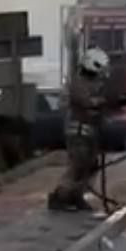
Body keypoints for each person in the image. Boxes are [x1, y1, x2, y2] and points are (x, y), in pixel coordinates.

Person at [47, 47, 112, 212]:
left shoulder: (95, 83)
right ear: (93, 65)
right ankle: (60, 197)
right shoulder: (78, 82)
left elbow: (97, 106)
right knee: (78, 166)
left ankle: (76, 196)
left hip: (90, 132)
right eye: (100, 69)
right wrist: (103, 101)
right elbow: (86, 101)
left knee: (90, 166)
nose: (102, 74)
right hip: (78, 132)